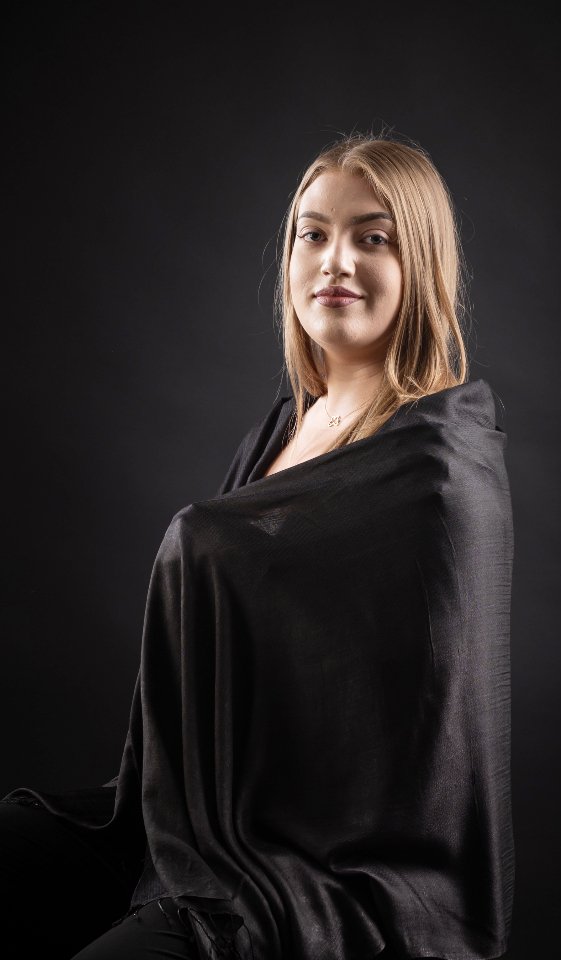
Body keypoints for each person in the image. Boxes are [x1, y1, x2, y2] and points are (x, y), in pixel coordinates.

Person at [0, 131, 515, 959]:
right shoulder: (280, 430)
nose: (335, 261)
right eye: (313, 234)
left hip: (321, 867)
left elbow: (431, 754)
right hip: (187, 817)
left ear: (420, 263)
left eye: (372, 238)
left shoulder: (441, 473)